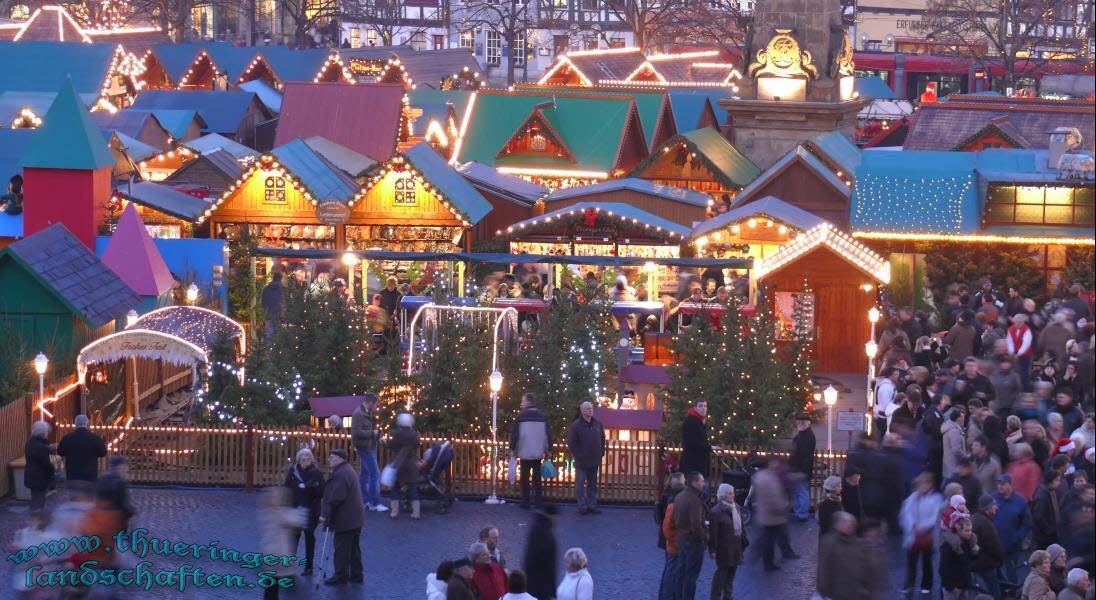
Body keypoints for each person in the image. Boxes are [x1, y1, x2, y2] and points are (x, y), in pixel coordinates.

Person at [319, 448, 364, 585]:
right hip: (355, 518)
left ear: (340, 459)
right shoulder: (347, 470)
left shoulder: (340, 474)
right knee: (353, 548)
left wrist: (325, 515)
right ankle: (356, 574)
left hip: (345, 519)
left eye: (332, 457)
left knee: (341, 549)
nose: (329, 460)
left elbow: (336, 497)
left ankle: (340, 576)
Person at [900, 472, 945, 597]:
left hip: (928, 536)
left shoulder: (936, 498)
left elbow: (935, 516)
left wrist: (923, 527)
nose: (921, 487)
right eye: (919, 484)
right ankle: (909, 585)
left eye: (924, 484)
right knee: (911, 563)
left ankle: (926, 585)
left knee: (927, 562)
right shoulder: (912, 497)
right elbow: (906, 513)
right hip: (913, 535)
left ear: (930, 484)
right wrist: (912, 524)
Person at [258, 486, 306, 599]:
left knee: (271, 585)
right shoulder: (279, 514)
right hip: (276, 554)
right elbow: (297, 520)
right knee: (272, 586)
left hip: (271, 554)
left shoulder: (268, 512)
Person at [753, 456, 799, 572]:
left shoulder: (764, 476)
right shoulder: (768, 478)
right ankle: (766, 562)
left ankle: (763, 558)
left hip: (768, 514)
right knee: (768, 539)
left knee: (769, 537)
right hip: (773, 514)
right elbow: (773, 497)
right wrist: (783, 507)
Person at [284, 447, 324, 576]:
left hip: (311, 510)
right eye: (303, 458)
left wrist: (308, 489)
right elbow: (287, 488)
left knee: (309, 538)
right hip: (296, 509)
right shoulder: (293, 471)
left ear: (311, 459)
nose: (305, 460)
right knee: (294, 537)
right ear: (299, 459)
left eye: (308, 458)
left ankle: (308, 567)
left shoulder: (316, 473)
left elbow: (321, 492)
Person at [992, 474, 1033, 590]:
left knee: (1012, 572)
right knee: (996, 573)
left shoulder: (1020, 502)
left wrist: (1017, 537)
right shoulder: (993, 498)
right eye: (998, 484)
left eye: (1003, 484)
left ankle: (1013, 593)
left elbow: (1027, 523)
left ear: (1010, 485)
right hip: (995, 543)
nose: (1000, 486)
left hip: (1012, 545)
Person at [511, 393, 551, 509]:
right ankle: (538, 502)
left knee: (524, 478)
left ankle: (525, 501)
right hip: (538, 452)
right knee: (537, 479)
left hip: (525, 451)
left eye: (522, 401)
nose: (521, 404)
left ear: (528, 402)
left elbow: (515, 434)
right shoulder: (543, 416)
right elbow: (548, 434)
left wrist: (512, 448)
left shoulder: (521, 416)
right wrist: (549, 449)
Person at [816, 511, 868, 600]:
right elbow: (823, 568)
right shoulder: (828, 542)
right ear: (837, 525)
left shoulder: (859, 542)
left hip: (857, 592)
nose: (850, 525)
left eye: (852, 522)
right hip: (838, 592)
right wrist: (822, 590)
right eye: (846, 522)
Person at [708, 483, 745, 600]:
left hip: (736, 547)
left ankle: (728, 597)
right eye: (729, 493)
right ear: (723, 495)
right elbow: (713, 533)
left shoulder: (736, 507)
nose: (732, 495)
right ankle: (715, 597)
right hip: (724, 548)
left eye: (733, 493)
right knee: (721, 574)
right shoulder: (716, 512)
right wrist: (713, 550)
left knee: (732, 573)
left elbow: (741, 528)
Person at [567, 401, 605, 515]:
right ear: (582, 410)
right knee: (580, 484)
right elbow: (572, 443)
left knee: (592, 485)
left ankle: (592, 505)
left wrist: (601, 452)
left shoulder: (598, 424)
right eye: (588, 408)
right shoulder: (576, 425)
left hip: (594, 459)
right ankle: (582, 506)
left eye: (591, 408)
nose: (590, 410)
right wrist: (579, 455)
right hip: (582, 461)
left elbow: (603, 439)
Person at [674, 471, 708, 598]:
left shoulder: (680, 496)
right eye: (701, 481)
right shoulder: (694, 500)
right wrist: (704, 538)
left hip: (682, 538)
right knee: (691, 576)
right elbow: (696, 525)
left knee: (681, 572)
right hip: (693, 542)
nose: (703, 483)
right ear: (694, 482)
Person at [351, 393, 386, 512]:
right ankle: (374, 503)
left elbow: (367, 430)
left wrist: (377, 437)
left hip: (369, 446)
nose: (376, 407)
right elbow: (356, 433)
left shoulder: (366, 412)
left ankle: (365, 500)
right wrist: (372, 434)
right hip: (365, 448)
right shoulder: (358, 414)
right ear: (371, 403)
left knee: (364, 474)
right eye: (376, 404)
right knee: (375, 475)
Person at [388, 412, 422, 519]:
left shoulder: (395, 433)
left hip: (398, 465)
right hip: (411, 465)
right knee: (413, 489)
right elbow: (417, 445)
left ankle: (394, 512)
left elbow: (391, 446)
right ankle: (416, 513)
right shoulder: (415, 434)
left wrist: (383, 443)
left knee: (395, 488)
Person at [970, 494, 1004, 599]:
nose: (996, 508)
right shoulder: (986, 524)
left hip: (976, 564)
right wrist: (1001, 559)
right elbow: (994, 546)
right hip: (987, 564)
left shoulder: (974, 518)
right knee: (994, 593)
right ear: (987, 508)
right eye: (994, 505)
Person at [56, 414, 106, 483]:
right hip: (90, 476)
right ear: (87, 423)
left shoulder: (67, 438)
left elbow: (60, 452)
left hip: (73, 475)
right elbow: (103, 453)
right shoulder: (95, 438)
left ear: (75, 423)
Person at [939, 515, 979, 600]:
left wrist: (975, 552)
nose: (970, 533)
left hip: (964, 584)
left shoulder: (967, 541)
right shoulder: (949, 546)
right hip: (954, 587)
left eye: (970, 530)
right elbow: (943, 568)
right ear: (958, 530)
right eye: (967, 531)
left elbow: (968, 561)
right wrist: (950, 587)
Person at [658, 473, 685, 600]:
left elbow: (658, 517)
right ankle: (669, 595)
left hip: (666, 538)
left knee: (669, 568)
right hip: (672, 539)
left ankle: (665, 594)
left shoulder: (665, 495)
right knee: (672, 568)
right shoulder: (674, 500)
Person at [524, 506, 558, 600]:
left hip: (534, 579)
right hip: (541, 582)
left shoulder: (537, 526)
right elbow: (547, 560)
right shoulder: (544, 530)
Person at [789, 413, 816, 521]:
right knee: (798, 491)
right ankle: (799, 512)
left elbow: (803, 455)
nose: (799, 424)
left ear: (807, 423)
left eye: (802, 422)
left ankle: (802, 513)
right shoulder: (804, 434)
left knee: (801, 491)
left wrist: (801, 470)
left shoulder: (806, 436)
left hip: (800, 469)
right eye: (799, 422)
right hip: (799, 468)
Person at [24, 420, 54, 514]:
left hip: (31, 475)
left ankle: (34, 520)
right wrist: (52, 471)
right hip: (39, 478)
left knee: (35, 498)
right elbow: (46, 465)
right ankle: (34, 523)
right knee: (38, 502)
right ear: (44, 432)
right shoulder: (41, 447)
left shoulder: (30, 443)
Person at [680, 400, 713, 480]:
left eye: (705, 406)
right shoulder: (691, 421)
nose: (703, 408)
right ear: (695, 408)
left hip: (699, 462)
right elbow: (692, 442)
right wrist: (709, 447)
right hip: (693, 464)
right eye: (701, 406)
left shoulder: (700, 420)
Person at [1031, 469, 1063, 549]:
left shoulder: (1053, 492)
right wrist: (1049, 530)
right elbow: (1038, 516)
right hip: (1045, 537)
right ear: (1050, 480)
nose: (1059, 483)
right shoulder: (1042, 496)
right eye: (1057, 480)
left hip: (1053, 533)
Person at [942, 408, 968, 481]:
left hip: (949, 465)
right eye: (962, 417)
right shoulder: (954, 431)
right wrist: (965, 458)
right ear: (958, 418)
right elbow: (956, 450)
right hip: (954, 467)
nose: (964, 419)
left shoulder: (949, 428)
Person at [261, 271, 284, 337]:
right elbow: (284, 303)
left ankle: (270, 346)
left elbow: (263, 302)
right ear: (281, 279)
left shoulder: (266, 289)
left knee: (269, 336)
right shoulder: (283, 289)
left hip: (268, 315)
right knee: (279, 337)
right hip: (279, 316)